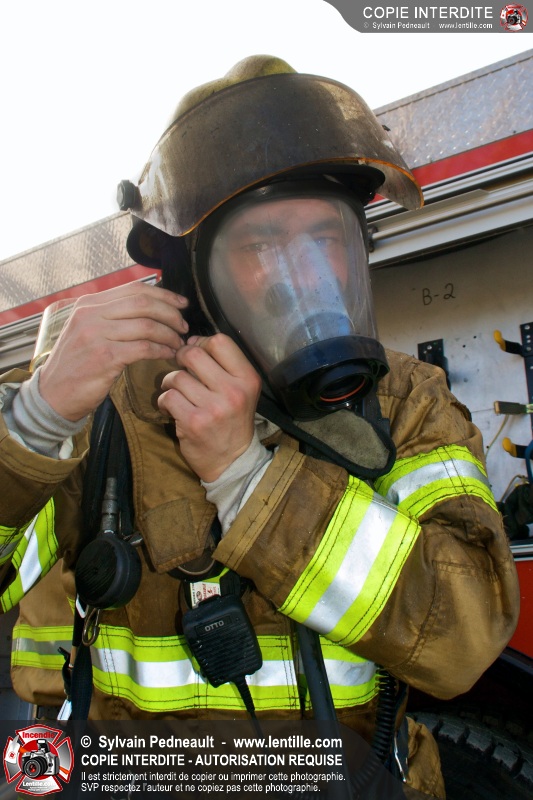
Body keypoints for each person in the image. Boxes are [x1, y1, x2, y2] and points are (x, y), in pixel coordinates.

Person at [0, 55, 519, 798]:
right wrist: (37, 419)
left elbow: (461, 638)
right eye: (261, 244)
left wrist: (250, 477)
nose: (303, 272)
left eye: (325, 237)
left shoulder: (404, 400)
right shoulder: (111, 404)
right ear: (189, 271)